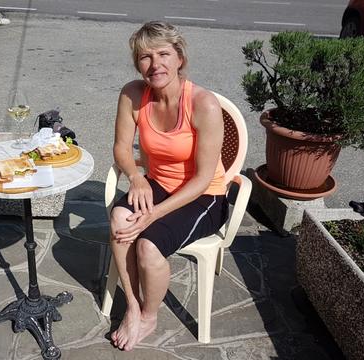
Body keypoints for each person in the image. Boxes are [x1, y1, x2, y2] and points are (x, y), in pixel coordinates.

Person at [109, 21, 228, 351]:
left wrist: (153, 215)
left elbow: (204, 178)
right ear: (137, 65)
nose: (155, 64)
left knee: (148, 246)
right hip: (158, 183)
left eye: (163, 54)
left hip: (204, 195)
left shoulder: (203, 104)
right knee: (120, 219)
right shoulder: (133, 94)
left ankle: (150, 315)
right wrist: (136, 177)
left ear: (180, 58)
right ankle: (133, 307)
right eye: (145, 57)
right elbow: (121, 147)